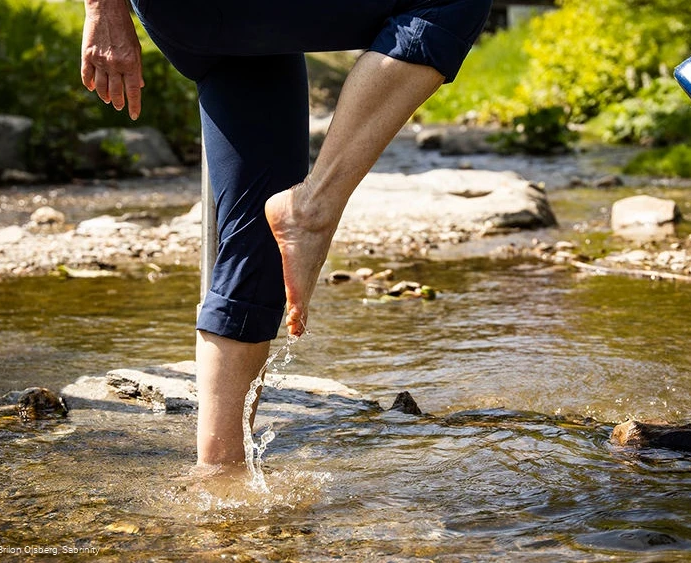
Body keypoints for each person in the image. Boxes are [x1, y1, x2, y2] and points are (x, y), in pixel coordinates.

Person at [81, 0, 492, 472]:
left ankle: (219, 475)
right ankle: (312, 207)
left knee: (259, 247)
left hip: (219, 25)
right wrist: (102, 9)